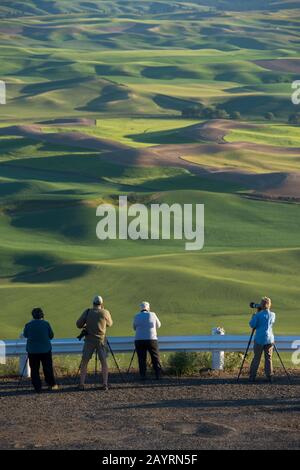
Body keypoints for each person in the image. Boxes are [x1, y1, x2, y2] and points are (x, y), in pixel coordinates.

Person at [76, 295, 113, 391]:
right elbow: (110, 324)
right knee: (104, 362)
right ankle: (105, 384)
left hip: (89, 341)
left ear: (93, 303)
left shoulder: (88, 312)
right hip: (101, 340)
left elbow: (78, 324)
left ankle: (82, 384)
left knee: (84, 362)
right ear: (101, 304)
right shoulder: (105, 312)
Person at [23, 307, 58, 393]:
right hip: (45, 350)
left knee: (34, 369)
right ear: (42, 315)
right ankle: (51, 384)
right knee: (47, 368)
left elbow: (25, 335)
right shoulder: (46, 324)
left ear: (33, 316)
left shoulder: (28, 325)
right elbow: (51, 336)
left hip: (32, 351)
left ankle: (37, 387)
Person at [249, 297, 276, 383]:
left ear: (261, 305)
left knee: (256, 358)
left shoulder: (258, 315)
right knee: (268, 358)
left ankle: (252, 376)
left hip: (259, 339)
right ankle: (269, 376)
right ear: (270, 305)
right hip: (270, 339)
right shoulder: (273, 315)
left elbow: (252, 325)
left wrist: (254, 316)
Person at [133, 301, 162, 380]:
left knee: (141, 358)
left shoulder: (137, 316)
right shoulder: (152, 314)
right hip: (151, 339)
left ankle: (143, 375)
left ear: (141, 308)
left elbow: (134, 327)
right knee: (155, 357)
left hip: (139, 339)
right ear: (148, 308)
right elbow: (159, 325)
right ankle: (157, 374)